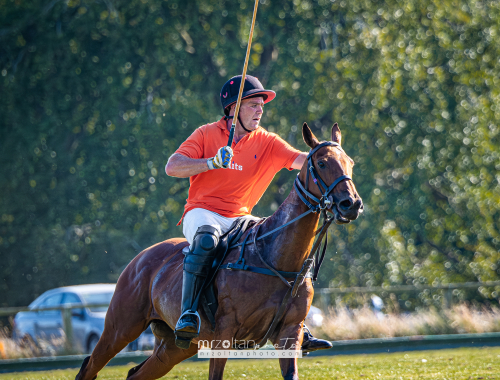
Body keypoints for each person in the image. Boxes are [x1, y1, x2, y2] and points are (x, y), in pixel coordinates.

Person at [165, 75, 332, 353]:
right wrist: (210, 162)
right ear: (233, 108)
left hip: (241, 217)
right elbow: (172, 166)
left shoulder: (267, 141)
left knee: (282, 244)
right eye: (253, 104)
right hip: (202, 212)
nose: (260, 110)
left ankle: (297, 324)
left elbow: (303, 161)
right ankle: (188, 314)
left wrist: (330, 161)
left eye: (261, 106)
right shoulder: (206, 133)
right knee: (206, 240)